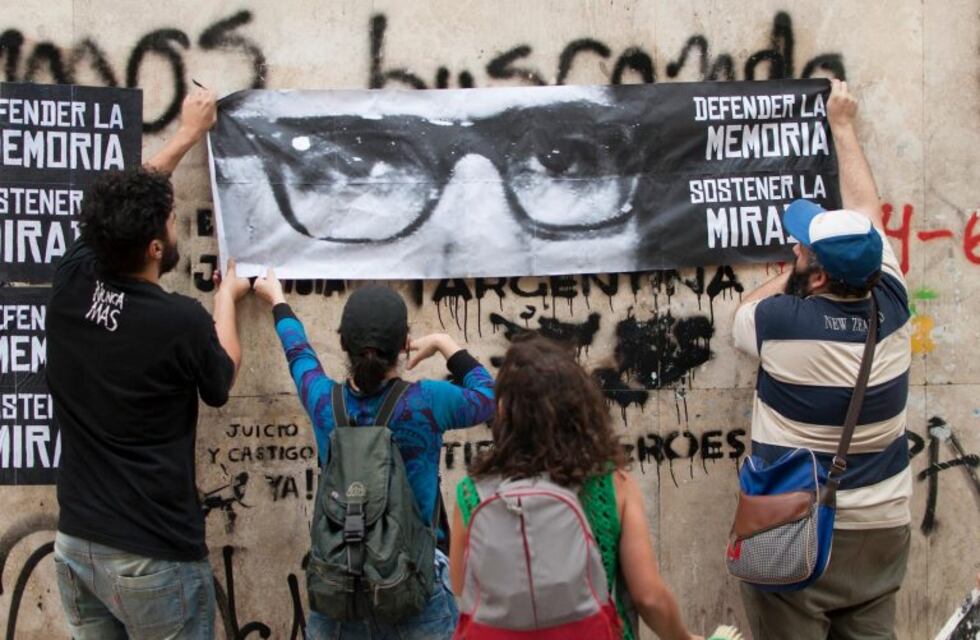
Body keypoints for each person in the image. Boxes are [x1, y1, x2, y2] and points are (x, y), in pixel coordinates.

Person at [46, 87, 251, 639]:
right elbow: (222, 376)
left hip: (78, 546)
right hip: (152, 556)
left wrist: (187, 134)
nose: (175, 222)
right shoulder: (179, 322)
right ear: (156, 247)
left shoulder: (70, 283)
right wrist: (226, 302)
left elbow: (118, 209)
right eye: (170, 219)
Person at [731, 79, 912, 639]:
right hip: (883, 526)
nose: (795, 249)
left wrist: (795, 272)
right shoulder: (894, 306)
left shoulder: (781, 322)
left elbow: (742, 310)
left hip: (797, 524)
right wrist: (844, 126)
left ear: (818, 270)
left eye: (803, 247)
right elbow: (866, 214)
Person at [251, 273, 496, 640]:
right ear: (405, 344)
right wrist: (445, 343)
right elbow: (487, 396)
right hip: (413, 584)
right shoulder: (427, 401)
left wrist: (277, 300)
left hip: (339, 587)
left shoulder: (323, 402)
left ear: (342, 343)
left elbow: (298, 354)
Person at [449, 334, 701, 640]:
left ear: (503, 412)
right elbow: (648, 597)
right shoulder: (611, 482)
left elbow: (461, 585)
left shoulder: (471, 491)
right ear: (578, 407)